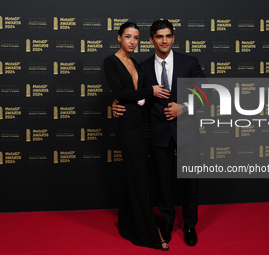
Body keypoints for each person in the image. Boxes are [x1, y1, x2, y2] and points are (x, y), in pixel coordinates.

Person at [112, 20, 205, 246]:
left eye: (169, 36)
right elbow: (133, 94)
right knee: (162, 183)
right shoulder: (142, 67)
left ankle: (190, 224)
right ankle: (167, 222)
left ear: (173, 38)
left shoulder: (189, 62)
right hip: (158, 133)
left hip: (187, 131)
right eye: (160, 36)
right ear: (152, 40)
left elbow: (207, 93)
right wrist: (115, 102)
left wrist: (182, 107)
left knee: (190, 181)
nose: (165, 40)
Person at [103, 22, 171, 251]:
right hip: (127, 124)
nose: (132, 42)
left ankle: (127, 222)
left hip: (143, 122)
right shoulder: (111, 62)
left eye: (136, 38)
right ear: (119, 38)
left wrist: (146, 94)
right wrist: (148, 90)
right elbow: (121, 93)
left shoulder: (136, 64)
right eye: (128, 37)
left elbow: (139, 97)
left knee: (137, 174)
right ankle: (149, 233)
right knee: (139, 176)